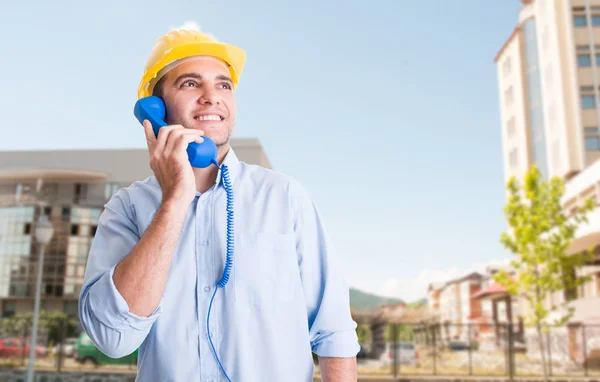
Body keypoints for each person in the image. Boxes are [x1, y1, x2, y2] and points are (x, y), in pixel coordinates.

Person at [78, 29, 359, 382]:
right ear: (155, 109)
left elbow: (334, 332)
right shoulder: (128, 208)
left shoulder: (285, 196)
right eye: (191, 84)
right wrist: (174, 201)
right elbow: (112, 338)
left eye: (224, 85)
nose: (212, 97)